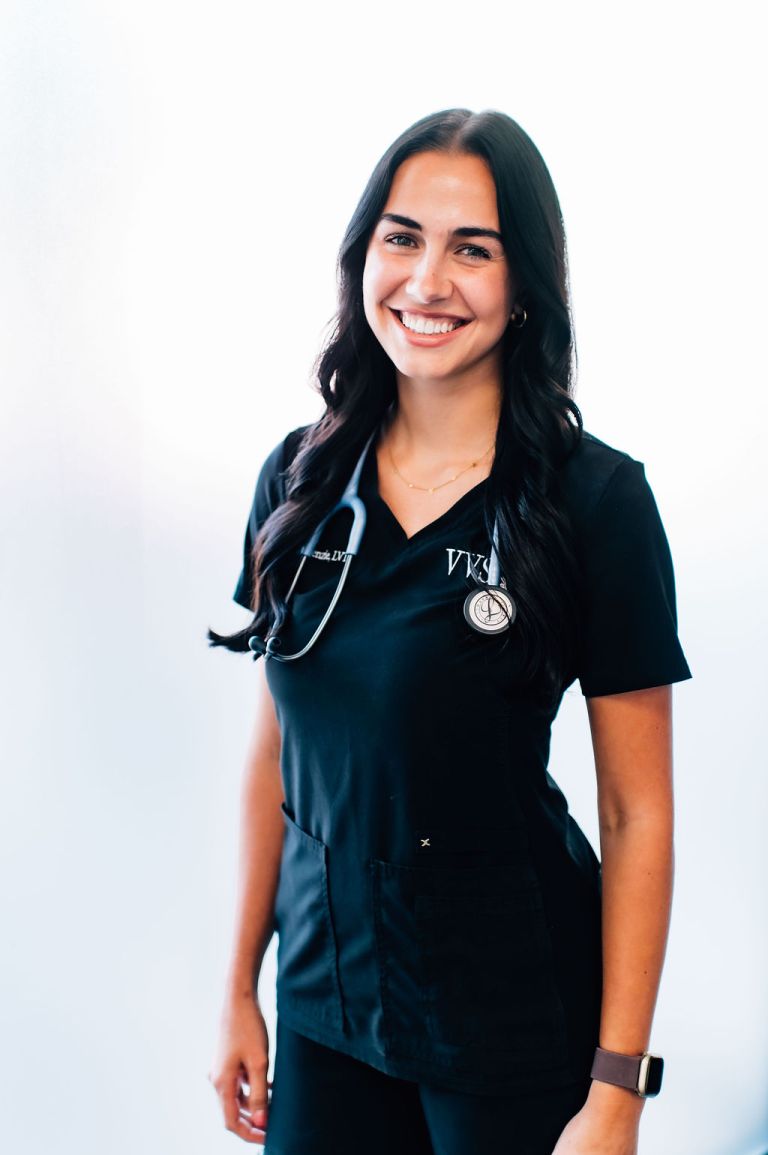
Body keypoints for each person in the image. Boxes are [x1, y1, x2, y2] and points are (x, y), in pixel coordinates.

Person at [206, 108, 693, 1155]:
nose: (428, 281)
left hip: (510, 1019)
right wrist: (237, 988)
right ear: (363, 256)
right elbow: (275, 755)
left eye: (473, 248)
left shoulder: (594, 503)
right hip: (325, 1011)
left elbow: (634, 809)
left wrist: (618, 1089)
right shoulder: (298, 479)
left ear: (526, 288)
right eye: (403, 236)